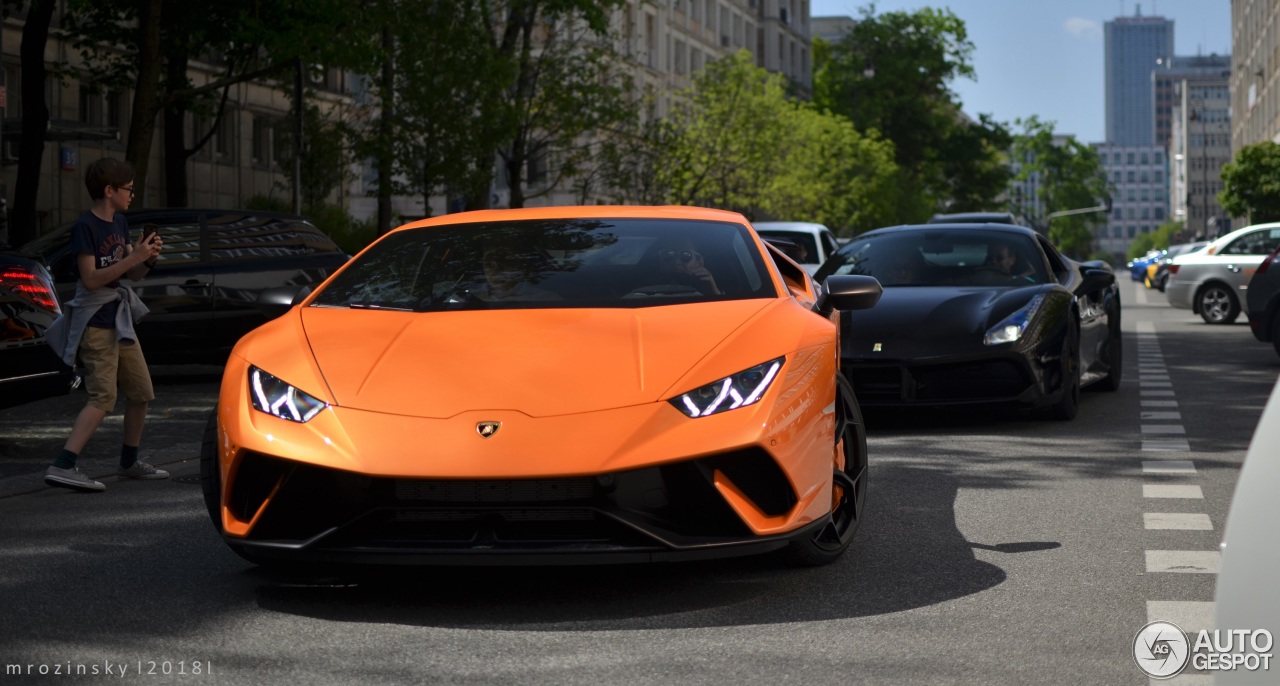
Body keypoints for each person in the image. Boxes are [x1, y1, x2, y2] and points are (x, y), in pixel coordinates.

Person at [43, 157, 166, 492]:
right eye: (127, 189)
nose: (132, 194)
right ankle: (63, 464)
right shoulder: (86, 227)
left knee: (141, 391)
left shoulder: (120, 223)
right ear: (109, 190)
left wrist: (147, 257)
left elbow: (133, 273)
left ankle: (129, 463)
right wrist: (133, 258)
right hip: (96, 323)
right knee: (103, 397)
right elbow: (92, 278)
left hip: (119, 320)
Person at [655, 238, 721, 295]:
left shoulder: (707, 288)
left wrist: (714, 292)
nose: (676, 262)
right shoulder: (646, 289)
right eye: (667, 255)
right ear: (659, 260)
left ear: (699, 261)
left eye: (685, 256)